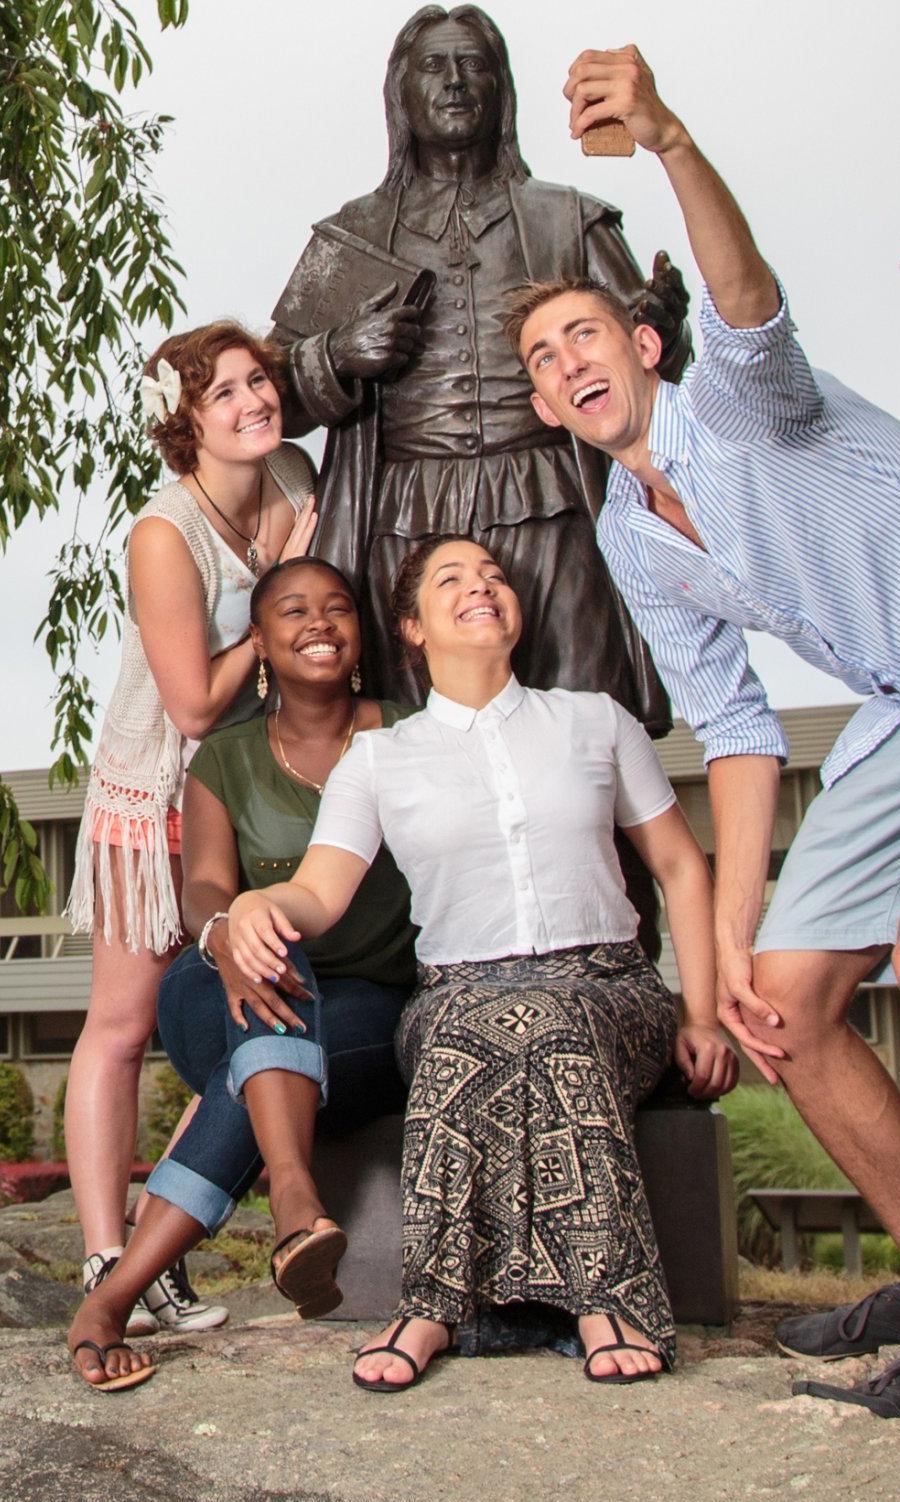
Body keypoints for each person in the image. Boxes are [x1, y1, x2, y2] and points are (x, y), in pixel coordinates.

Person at [506, 46, 900, 1438]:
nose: (571, 364)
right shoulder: (632, 536)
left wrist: (671, 138)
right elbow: (734, 729)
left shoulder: (741, 399)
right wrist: (725, 950)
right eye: (547, 364)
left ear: (642, 349)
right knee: (785, 1006)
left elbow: (748, 298)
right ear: (552, 410)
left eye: (587, 338)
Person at [226, 536, 737, 1392]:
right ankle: (430, 1303)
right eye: (452, 580)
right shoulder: (381, 757)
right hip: (458, 990)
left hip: (607, 985)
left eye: (494, 577)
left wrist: (703, 1011)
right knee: (472, 1031)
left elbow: (683, 867)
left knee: (552, 1021)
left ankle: (604, 1297)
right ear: (413, 626)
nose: (482, 587)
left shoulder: (596, 720)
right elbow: (318, 893)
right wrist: (253, 905)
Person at [269, 3, 691, 722]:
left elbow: (652, 367)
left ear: (503, 90)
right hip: (405, 516)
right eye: (434, 65)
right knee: (418, 741)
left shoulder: (568, 218)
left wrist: (663, 326)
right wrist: (336, 354)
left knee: (589, 725)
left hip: (554, 502)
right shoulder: (353, 234)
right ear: (401, 94)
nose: (457, 81)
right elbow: (269, 396)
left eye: (475, 65)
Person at [67, 556, 417, 1388]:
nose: (319, 622)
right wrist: (229, 930)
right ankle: (295, 1195)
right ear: (259, 640)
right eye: (293, 610)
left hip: (364, 1006)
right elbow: (206, 892)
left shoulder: (411, 734)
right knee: (269, 934)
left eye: (337, 607)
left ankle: (106, 1302)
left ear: (360, 634)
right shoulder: (221, 758)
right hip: (219, 980)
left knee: (256, 1061)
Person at [63, 323, 317, 1343]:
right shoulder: (164, 536)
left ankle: (159, 1242)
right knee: (122, 1024)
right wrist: (279, 597)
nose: (254, 401)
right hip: (157, 788)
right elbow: (194, 707)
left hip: (250, 792)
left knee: (242, 1017)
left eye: (258, 380)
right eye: (224, 394)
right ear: (184, 422)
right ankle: (102, 1252)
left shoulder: (293, 472)